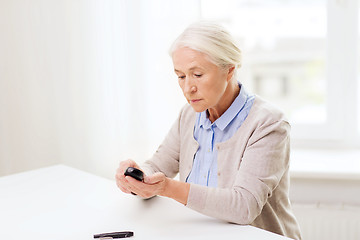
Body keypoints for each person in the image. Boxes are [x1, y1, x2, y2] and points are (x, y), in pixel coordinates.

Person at [115, 21, 302, 240]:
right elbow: (158, 167)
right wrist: (138, 178)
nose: (188, 88)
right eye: (181, 76)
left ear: (229, 69)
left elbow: (243, 207)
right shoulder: (189, 115)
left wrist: (166, 188)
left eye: (197, 74)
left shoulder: (269, 124)